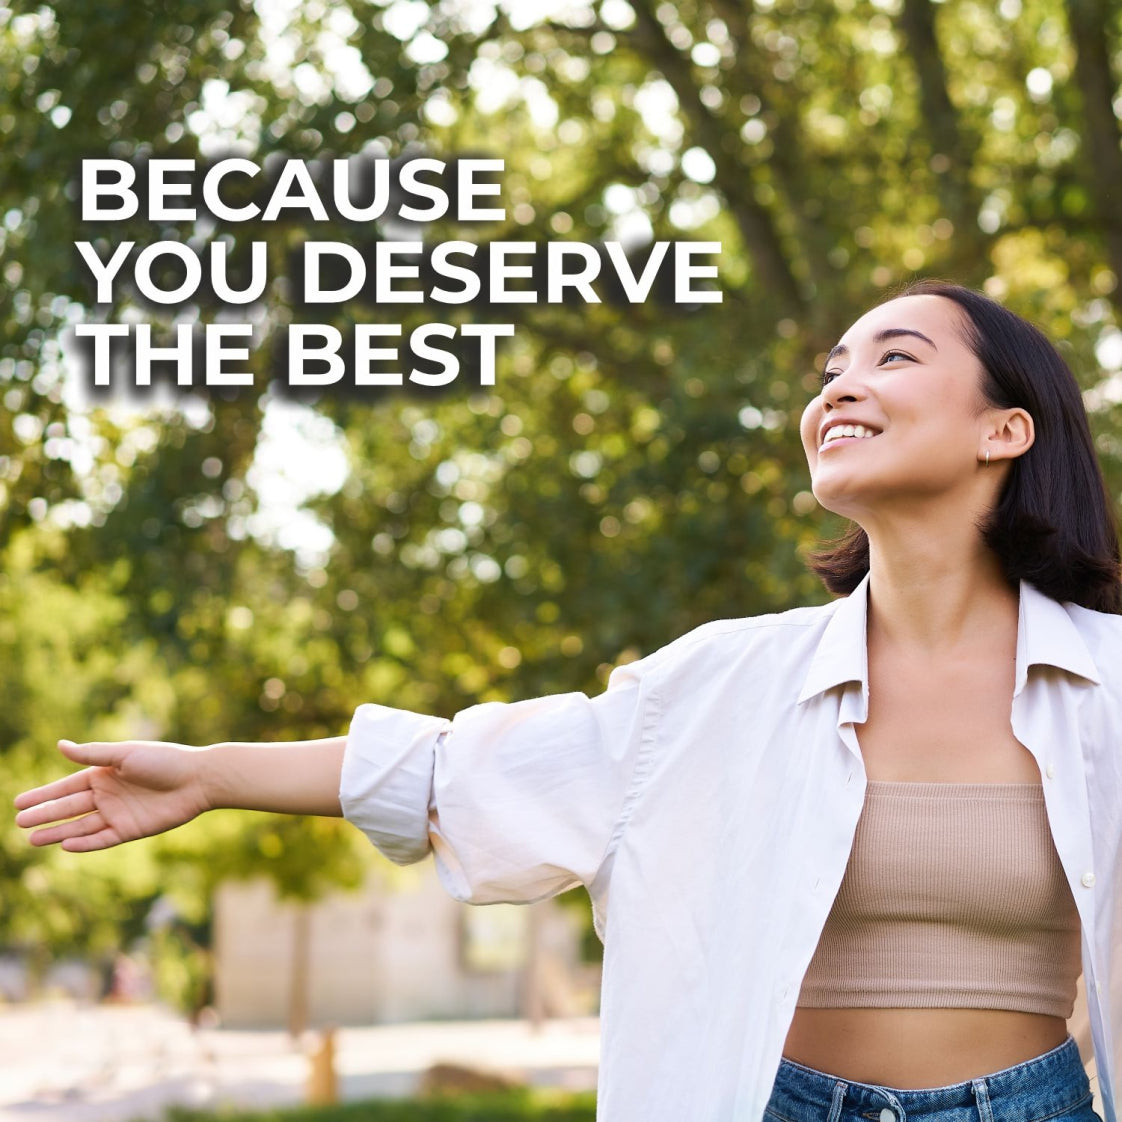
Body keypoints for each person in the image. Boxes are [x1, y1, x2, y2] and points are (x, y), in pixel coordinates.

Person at [13, 280, 1122, 1122]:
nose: (840, 385)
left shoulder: (1107, 687)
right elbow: (466, 771)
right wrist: (211, 773)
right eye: (833, 367)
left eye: (895, 356)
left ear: (1004, 429)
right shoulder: (722, 685)